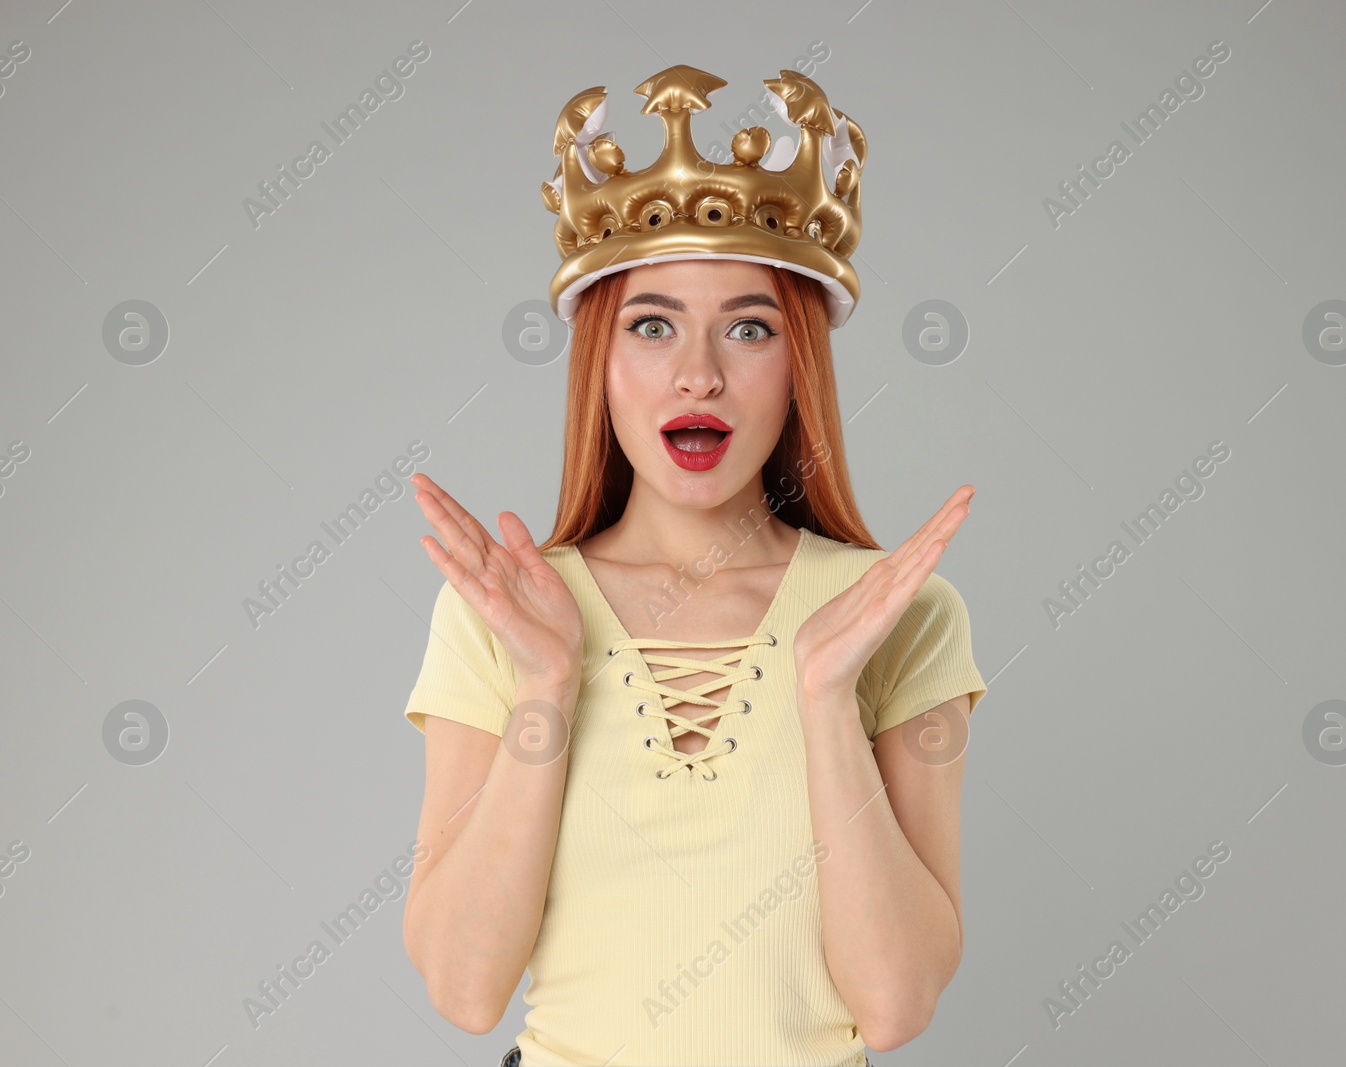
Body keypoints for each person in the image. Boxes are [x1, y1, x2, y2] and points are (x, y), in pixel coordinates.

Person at [400, 63, 987, 1067]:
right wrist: (546, 681)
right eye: (652, 322)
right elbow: (464, 987)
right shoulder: (505, 617)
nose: (699, 372)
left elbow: (892, 1006)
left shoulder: (902, 613)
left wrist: (823, 698)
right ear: (601, 359)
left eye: (750, 326)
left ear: (799, 362)